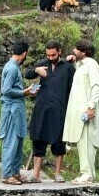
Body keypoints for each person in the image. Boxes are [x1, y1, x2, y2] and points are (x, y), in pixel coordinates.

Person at [24, 42, 73, 183]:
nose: (51, 58)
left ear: (59, 52)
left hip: (59, 109)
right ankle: (36, 174)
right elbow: (28, 74)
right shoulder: (42, 64)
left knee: (59, 141)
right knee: (38, 139)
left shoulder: (68, 67)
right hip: (42, 108)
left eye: (53, 55)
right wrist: (36, 71)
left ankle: (57, 174)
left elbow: (72, 88)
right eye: (48, 55)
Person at [62, 40, 99, 183]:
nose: (73, 50)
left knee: (86, 141)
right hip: (80, 109)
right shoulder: (81, 65)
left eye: (76, 49)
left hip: (86, 109)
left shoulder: (91, 65)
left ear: (83, 52)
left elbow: (96, 86)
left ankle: (87, 173)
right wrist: (73, 61)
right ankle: (87, 173)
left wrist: (91, 106)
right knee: (81, 141)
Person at [0, 39, 29, 185]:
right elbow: (6, 90)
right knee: (10, 141)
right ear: (24, 53)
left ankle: (15, 172)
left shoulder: (15, 67)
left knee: (18, 140)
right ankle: (6, 174)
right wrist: (25, 92)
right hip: (11, 109)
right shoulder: (11, 68)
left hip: (17, 109)